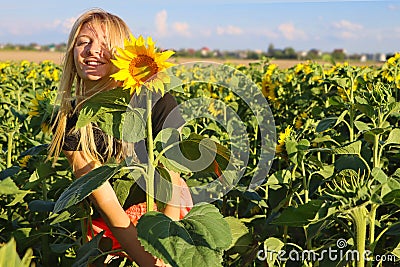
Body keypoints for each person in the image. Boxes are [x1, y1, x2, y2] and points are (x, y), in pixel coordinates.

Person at [47, 8, 193, 266]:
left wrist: (165, 252)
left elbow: (174, 179)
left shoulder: (154, 101)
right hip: (113, 227)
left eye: (105, 43)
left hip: (169, 215)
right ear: (72, 52)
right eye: (83, 42)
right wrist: (148, 262)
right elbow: (108, 202)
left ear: (123, 54)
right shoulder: (72, 119)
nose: (92, 50)